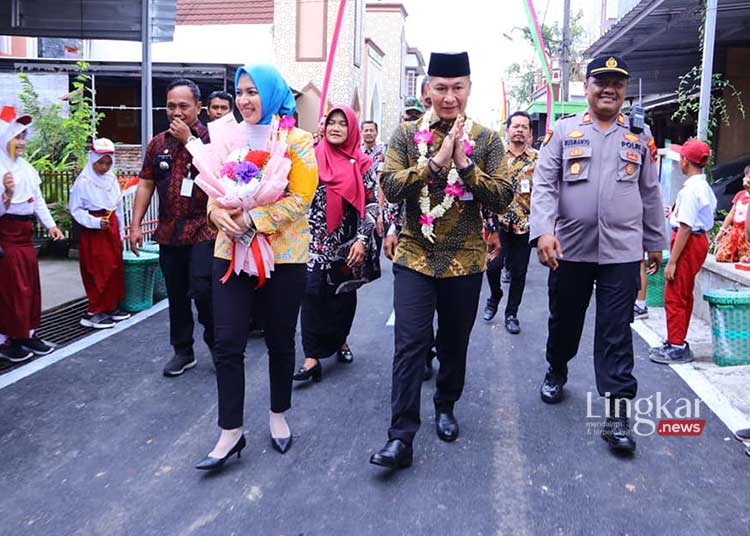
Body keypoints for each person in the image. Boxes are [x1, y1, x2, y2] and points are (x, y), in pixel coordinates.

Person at [370, 52, 512, 470]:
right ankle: (401, 436)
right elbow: (391, 186)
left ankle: (446, 403)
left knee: (454, 343)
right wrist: (434, 163)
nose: (448, 97)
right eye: (440, 88)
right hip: (414, 255)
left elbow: (502, 195)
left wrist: (464, 166)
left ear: (469, 88)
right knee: (409, 344)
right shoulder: (405, 134)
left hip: (466, 262)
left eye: (457, 88)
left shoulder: (486, 140)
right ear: (427, 88)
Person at [530, 55, 666, 455]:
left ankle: (618, 415)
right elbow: (544, 185)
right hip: (569, 249)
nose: (609, 88)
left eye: (617, 83)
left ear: (624, 91)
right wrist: (543, 232)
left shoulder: (640, 137)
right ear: (586, 86)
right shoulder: (563, 132)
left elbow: (650, 192)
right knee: (565, 320)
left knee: (616, 331)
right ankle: (557, 368)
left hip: (623, 251)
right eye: (601, 81)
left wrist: (655, 240)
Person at [195, 64, 317, 471]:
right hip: (230, 253)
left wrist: (254, 219)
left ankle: (278, 413)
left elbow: (302, 198)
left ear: (271, 92)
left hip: (283, 257)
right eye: (239, 92)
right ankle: (231, 431)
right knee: (227, 342)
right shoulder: (226, 137)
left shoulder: (297, 141)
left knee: (280, 340)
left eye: (253, 91)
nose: (245, 100)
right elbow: (215, 188)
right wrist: (216, 213)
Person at [130, 79, 216, 377]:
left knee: (204, 290)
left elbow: (219, 174)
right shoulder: (157, 143)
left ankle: (217, 343)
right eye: (170, 106)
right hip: (169, 232)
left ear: (198, 108)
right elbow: (145, 183)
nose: (176, 112)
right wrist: (135, 224)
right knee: (177, 295)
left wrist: (190, 141)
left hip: (205, 229)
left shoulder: (212, 140)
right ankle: (183, 350)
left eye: (183, 106)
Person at [294, 105, 377, 383]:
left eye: (343, 123)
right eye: (332, 123)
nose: (336, 128)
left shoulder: (362, 163)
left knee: (341, 299)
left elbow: (371, 205)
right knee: (311, 295)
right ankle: (312, 357)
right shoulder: (311, 157)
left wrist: (363, 240)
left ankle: (341, 340)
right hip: (313, 243)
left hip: (346, 246)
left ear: (351, 128)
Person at [0, 106, 64, 362]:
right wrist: (5, 196)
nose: (22, 142)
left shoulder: (25, 168)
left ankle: (27, 333)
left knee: (29, 288)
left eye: (24, 137)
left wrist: (50, 225)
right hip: (6, 235)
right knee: (11, 290)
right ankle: (7, 339)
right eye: (17, 137)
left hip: (25, 235)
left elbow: (36, 200)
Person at [649, 139, 716, 365]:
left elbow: (686, 227)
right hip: (696, 241)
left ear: (685, 162)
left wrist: (672, 262)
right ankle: (676, 339)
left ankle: (676, 344)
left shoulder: (690, 190)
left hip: (688, 243)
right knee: (683, 293)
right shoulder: (702, 187)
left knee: (675, 294)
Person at [482, 110, 537, 334]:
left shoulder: (538, 159)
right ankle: (495, 295)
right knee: (493, 266)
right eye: (516, 126)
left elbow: (544, 191)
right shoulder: (496, 156)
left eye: (524, 127)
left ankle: (511, 313)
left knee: (519, 273)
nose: (520, 130)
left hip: (525, 225)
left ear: (530, 133)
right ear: (507, 129)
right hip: (498, 222)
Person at [69, 138, 130, 329]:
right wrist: (95, 222)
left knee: (113, 267)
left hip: (110, 228)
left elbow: (118, 208)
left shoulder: (111, 179)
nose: (104, 167)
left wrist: (119, 232)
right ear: (92, 160)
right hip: (94, 231)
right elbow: (76, 210)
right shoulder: (84, 182)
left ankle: (110, 307)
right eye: (100, 162)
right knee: (97, 269)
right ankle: (94, 311)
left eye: (108, 163)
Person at [361, 120, 387, 250]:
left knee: (376, 237)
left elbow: (380, 179)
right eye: (366, 130)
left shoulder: (383, 149)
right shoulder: (357, 149)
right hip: (361, 197)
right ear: (361, 132)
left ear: (376, 132)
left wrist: (380, 210)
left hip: (377, 196)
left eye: (371, 130)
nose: (369, 133)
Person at [715, 165, 750, 263]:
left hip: (747, 233)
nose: (744, 178)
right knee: (721, 256)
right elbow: (731, 214)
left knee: (744, 259)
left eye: (747, 176)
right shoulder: (740, 195)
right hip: (735, 231)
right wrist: (722, 231)